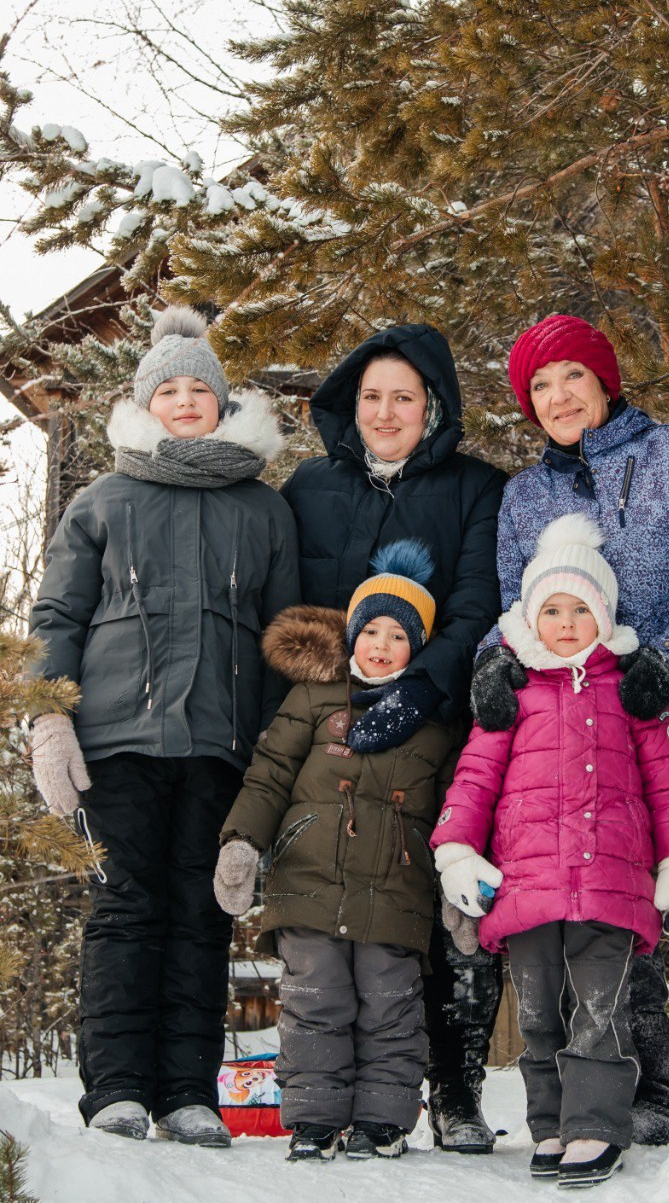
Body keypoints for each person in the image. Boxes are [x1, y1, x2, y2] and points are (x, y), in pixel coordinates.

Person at [470, 314, 669, 1165]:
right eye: (539, 387)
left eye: (571, 376)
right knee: (611, 906)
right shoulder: (525, 497)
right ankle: (647, 1098)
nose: (557, 397)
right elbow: (510, 608)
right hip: (576, 728)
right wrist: (493, 663)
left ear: (605, 382)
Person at [28, 307, 299, 1147]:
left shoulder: (261, 508)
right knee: (123, 908)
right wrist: (47, 719)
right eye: (169, 390)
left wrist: (271, 760)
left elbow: (283, 636)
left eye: (200, 390)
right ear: (146, 405)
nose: (185, 402)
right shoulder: (105, 498)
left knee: (202, 913)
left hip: (220, 747)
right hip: (115, 743)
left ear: (222, 404)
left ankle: (187, 1092)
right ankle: (114, 1089)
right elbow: (58, 613)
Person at [281, 325, 507, 1151]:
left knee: (442, 904)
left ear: (431, 408)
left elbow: (482, 600)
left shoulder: (477, 488)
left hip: (437, 729)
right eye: (370, 396)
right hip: (329, 733)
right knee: (332, 911)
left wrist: (420, 689)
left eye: (403, 397)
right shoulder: (307, 488)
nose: (385, 412)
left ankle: (453, 1086)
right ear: (349, 405)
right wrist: (319, 706)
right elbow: (287, 605)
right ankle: (326, 1098)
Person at [432, 514, 669, 1188]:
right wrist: (456, 850)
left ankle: (594, 1127)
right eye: (549, 609)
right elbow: (472, 779)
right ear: (528, 618)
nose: (564, 621)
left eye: (579, 608)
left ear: (603, 616)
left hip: (611, 885)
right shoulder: (509, 694)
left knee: (598, 1012)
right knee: (535, 1014)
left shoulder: (634, 695)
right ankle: (550, 1124)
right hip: (526, 886)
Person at [213, 543, 465, 1162]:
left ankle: (383, 1122)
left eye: (399, 635)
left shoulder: (436, 725)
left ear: (419, 648)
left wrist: (461, 880)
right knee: (315, 1001)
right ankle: (315, 1120)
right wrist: (242, 842)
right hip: (309, 883)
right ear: (351, 635)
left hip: (395, 889)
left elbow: (458, 807)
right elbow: (269, 775)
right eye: (371, 629)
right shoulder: (312, 698)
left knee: (389, 1005)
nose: (381, 644)